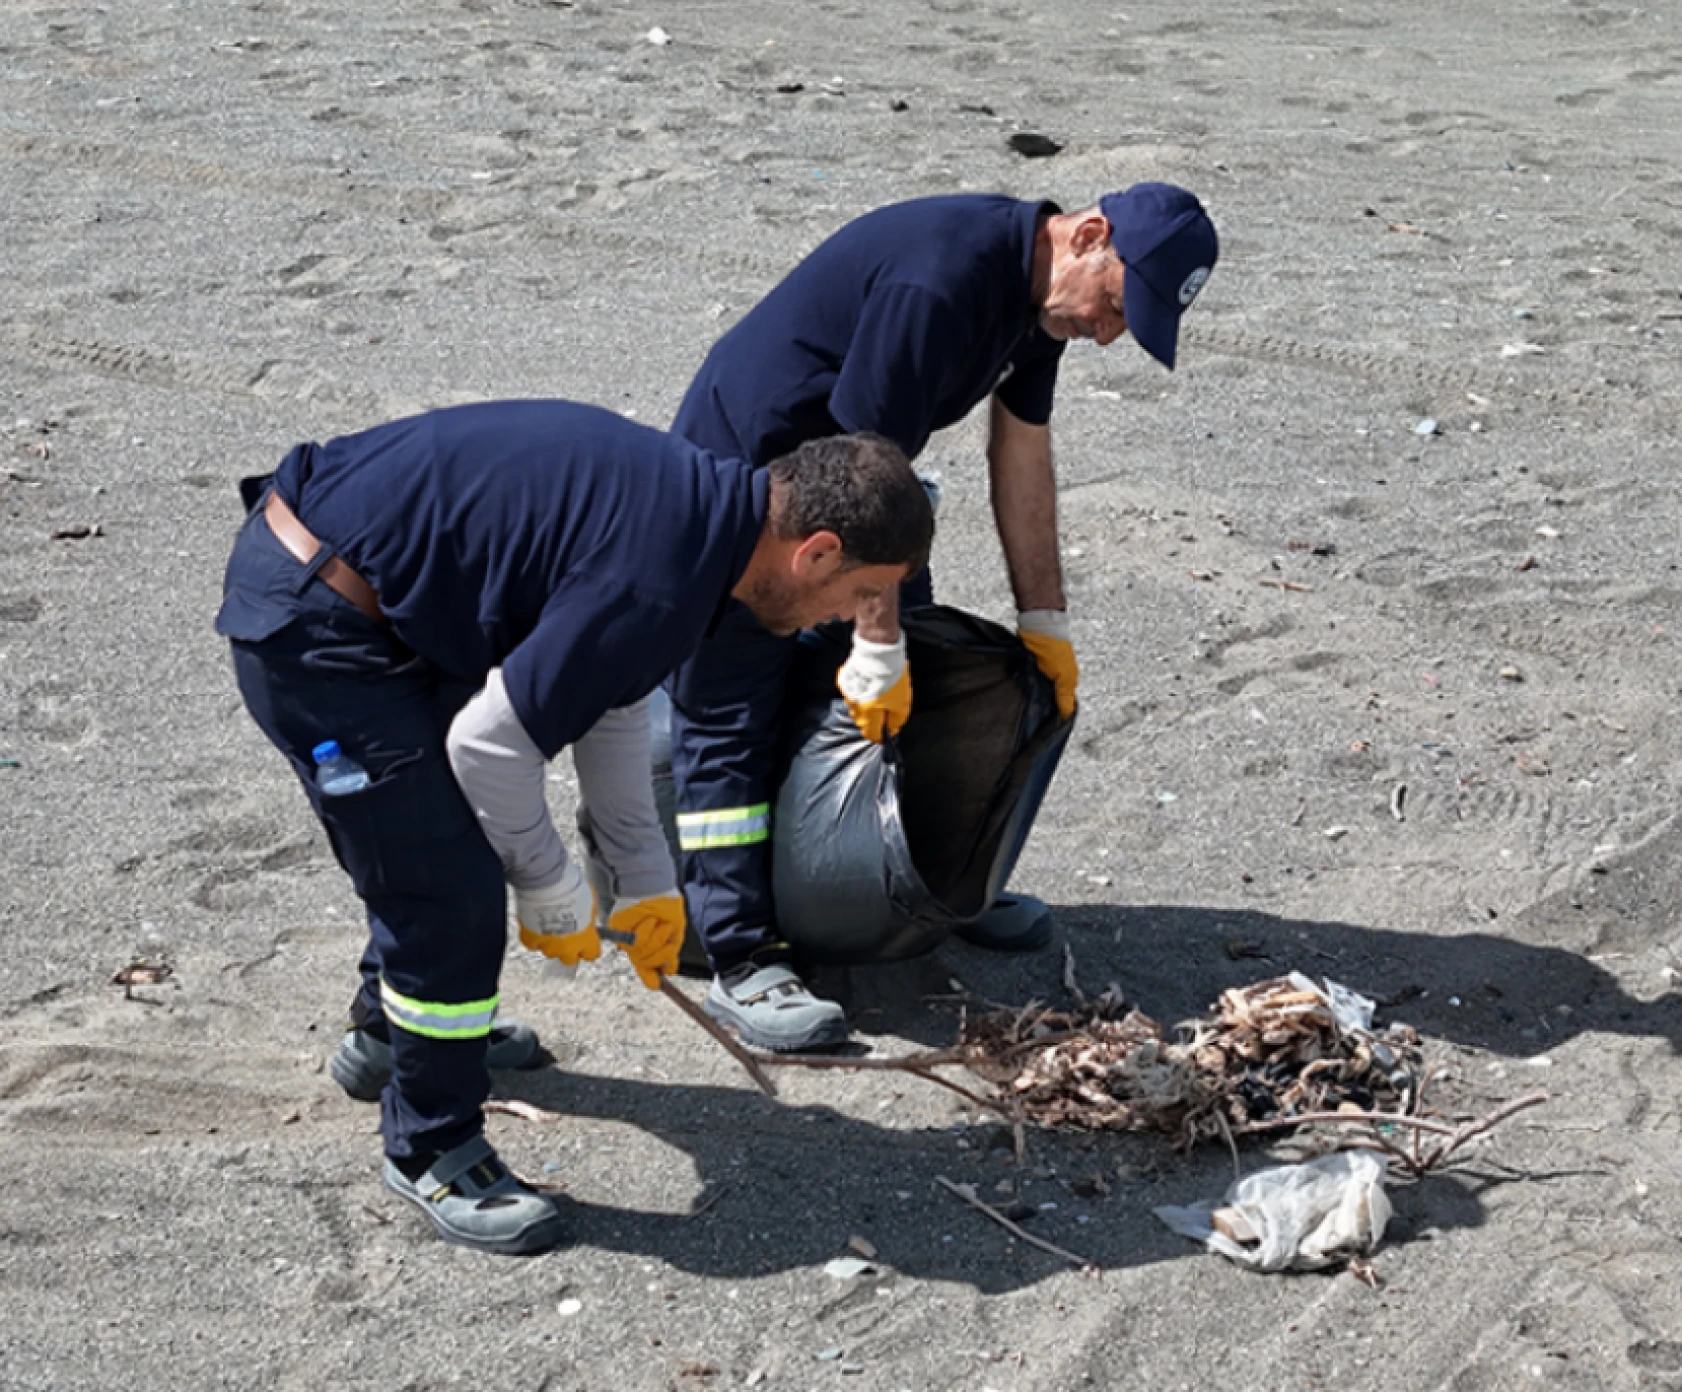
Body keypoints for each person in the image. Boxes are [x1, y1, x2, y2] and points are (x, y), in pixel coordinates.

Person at [213, 400, 933, 1255]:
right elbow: (489, 746)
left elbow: (612, 699)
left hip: (391, 599)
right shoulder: (664, 572)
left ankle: (388, 1037)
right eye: (860, 592)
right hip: (316, 621)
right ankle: (432, 1145)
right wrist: (550, 884)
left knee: (435, 839)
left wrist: (643, 881)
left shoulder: (705, 529)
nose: (848, 617)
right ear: (814, 551)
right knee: (447, 887)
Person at [668, 182, 1219, 1052]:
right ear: (1089, 236)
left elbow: (1022, 452)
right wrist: (873, 642)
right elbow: (861, 479)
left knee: (923, 678)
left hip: (857, 487)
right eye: (1118, 305)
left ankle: (912, 888)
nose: (1110, 333)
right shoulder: (940, 280)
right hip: (746, 486)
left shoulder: (1038, 306)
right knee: (733, 705)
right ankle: (740, 956)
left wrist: (1046, 623)